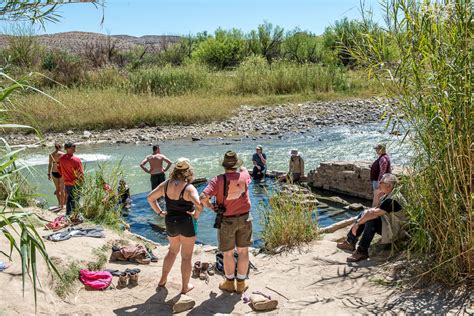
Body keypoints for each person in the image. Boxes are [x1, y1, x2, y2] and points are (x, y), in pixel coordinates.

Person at [147, 158, 202, 294]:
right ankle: (184, 287)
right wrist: (196, 214)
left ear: (174, 170)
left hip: (170, 221)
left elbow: (150, 198)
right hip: (186, 223)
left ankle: (163, 279)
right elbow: (199, 205)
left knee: (172, 252)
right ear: (188, 172)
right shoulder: (189, 188)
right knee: (186, 257)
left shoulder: (165, 185)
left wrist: (160, 212)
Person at [200, 150, 252, 294]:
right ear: (236, 164)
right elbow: (245, 170)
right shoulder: (245, 175)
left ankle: (229, 283)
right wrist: (242, 168)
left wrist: (210, 206)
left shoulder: (218, 180)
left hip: (227, 220)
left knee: (228, 253)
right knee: (243, 251)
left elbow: (203, 196)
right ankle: (241, 284)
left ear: (224, 165)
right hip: (245, 218)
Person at [337, 173, 406, 262]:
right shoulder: (386, 195)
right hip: (388, 225)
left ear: (388, 185)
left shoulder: (393, 199)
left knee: (371, 220)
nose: (378, 184)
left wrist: (357, 224)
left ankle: (362, 251)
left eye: (381, 182)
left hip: (396, 230)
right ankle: (350, 242)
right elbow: (373, 209)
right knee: (364, 213)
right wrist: (376, 197)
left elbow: (373, 214)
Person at [58, 141, 84, 216]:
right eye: (74, 146)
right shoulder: (76, 160)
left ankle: (68, 215)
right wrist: (82, 183)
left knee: (69, 199)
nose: (75, 147)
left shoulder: (61, 158)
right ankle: (75, 216)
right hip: (76, 183)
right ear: (69, 148)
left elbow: (59, 169)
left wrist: (65, 175)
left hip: (67, 183)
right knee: (75, 200)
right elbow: (80, 173)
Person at [47, 143, 65, 209]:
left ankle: (59, 204)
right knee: (62, 189)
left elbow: (49, 165)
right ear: (60, 147)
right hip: (61, 172)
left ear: (55, 147)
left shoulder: (51, 155)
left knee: (57, 189)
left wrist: (48, 174)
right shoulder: (63, 154)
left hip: (54, 172)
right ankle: (63, 206)